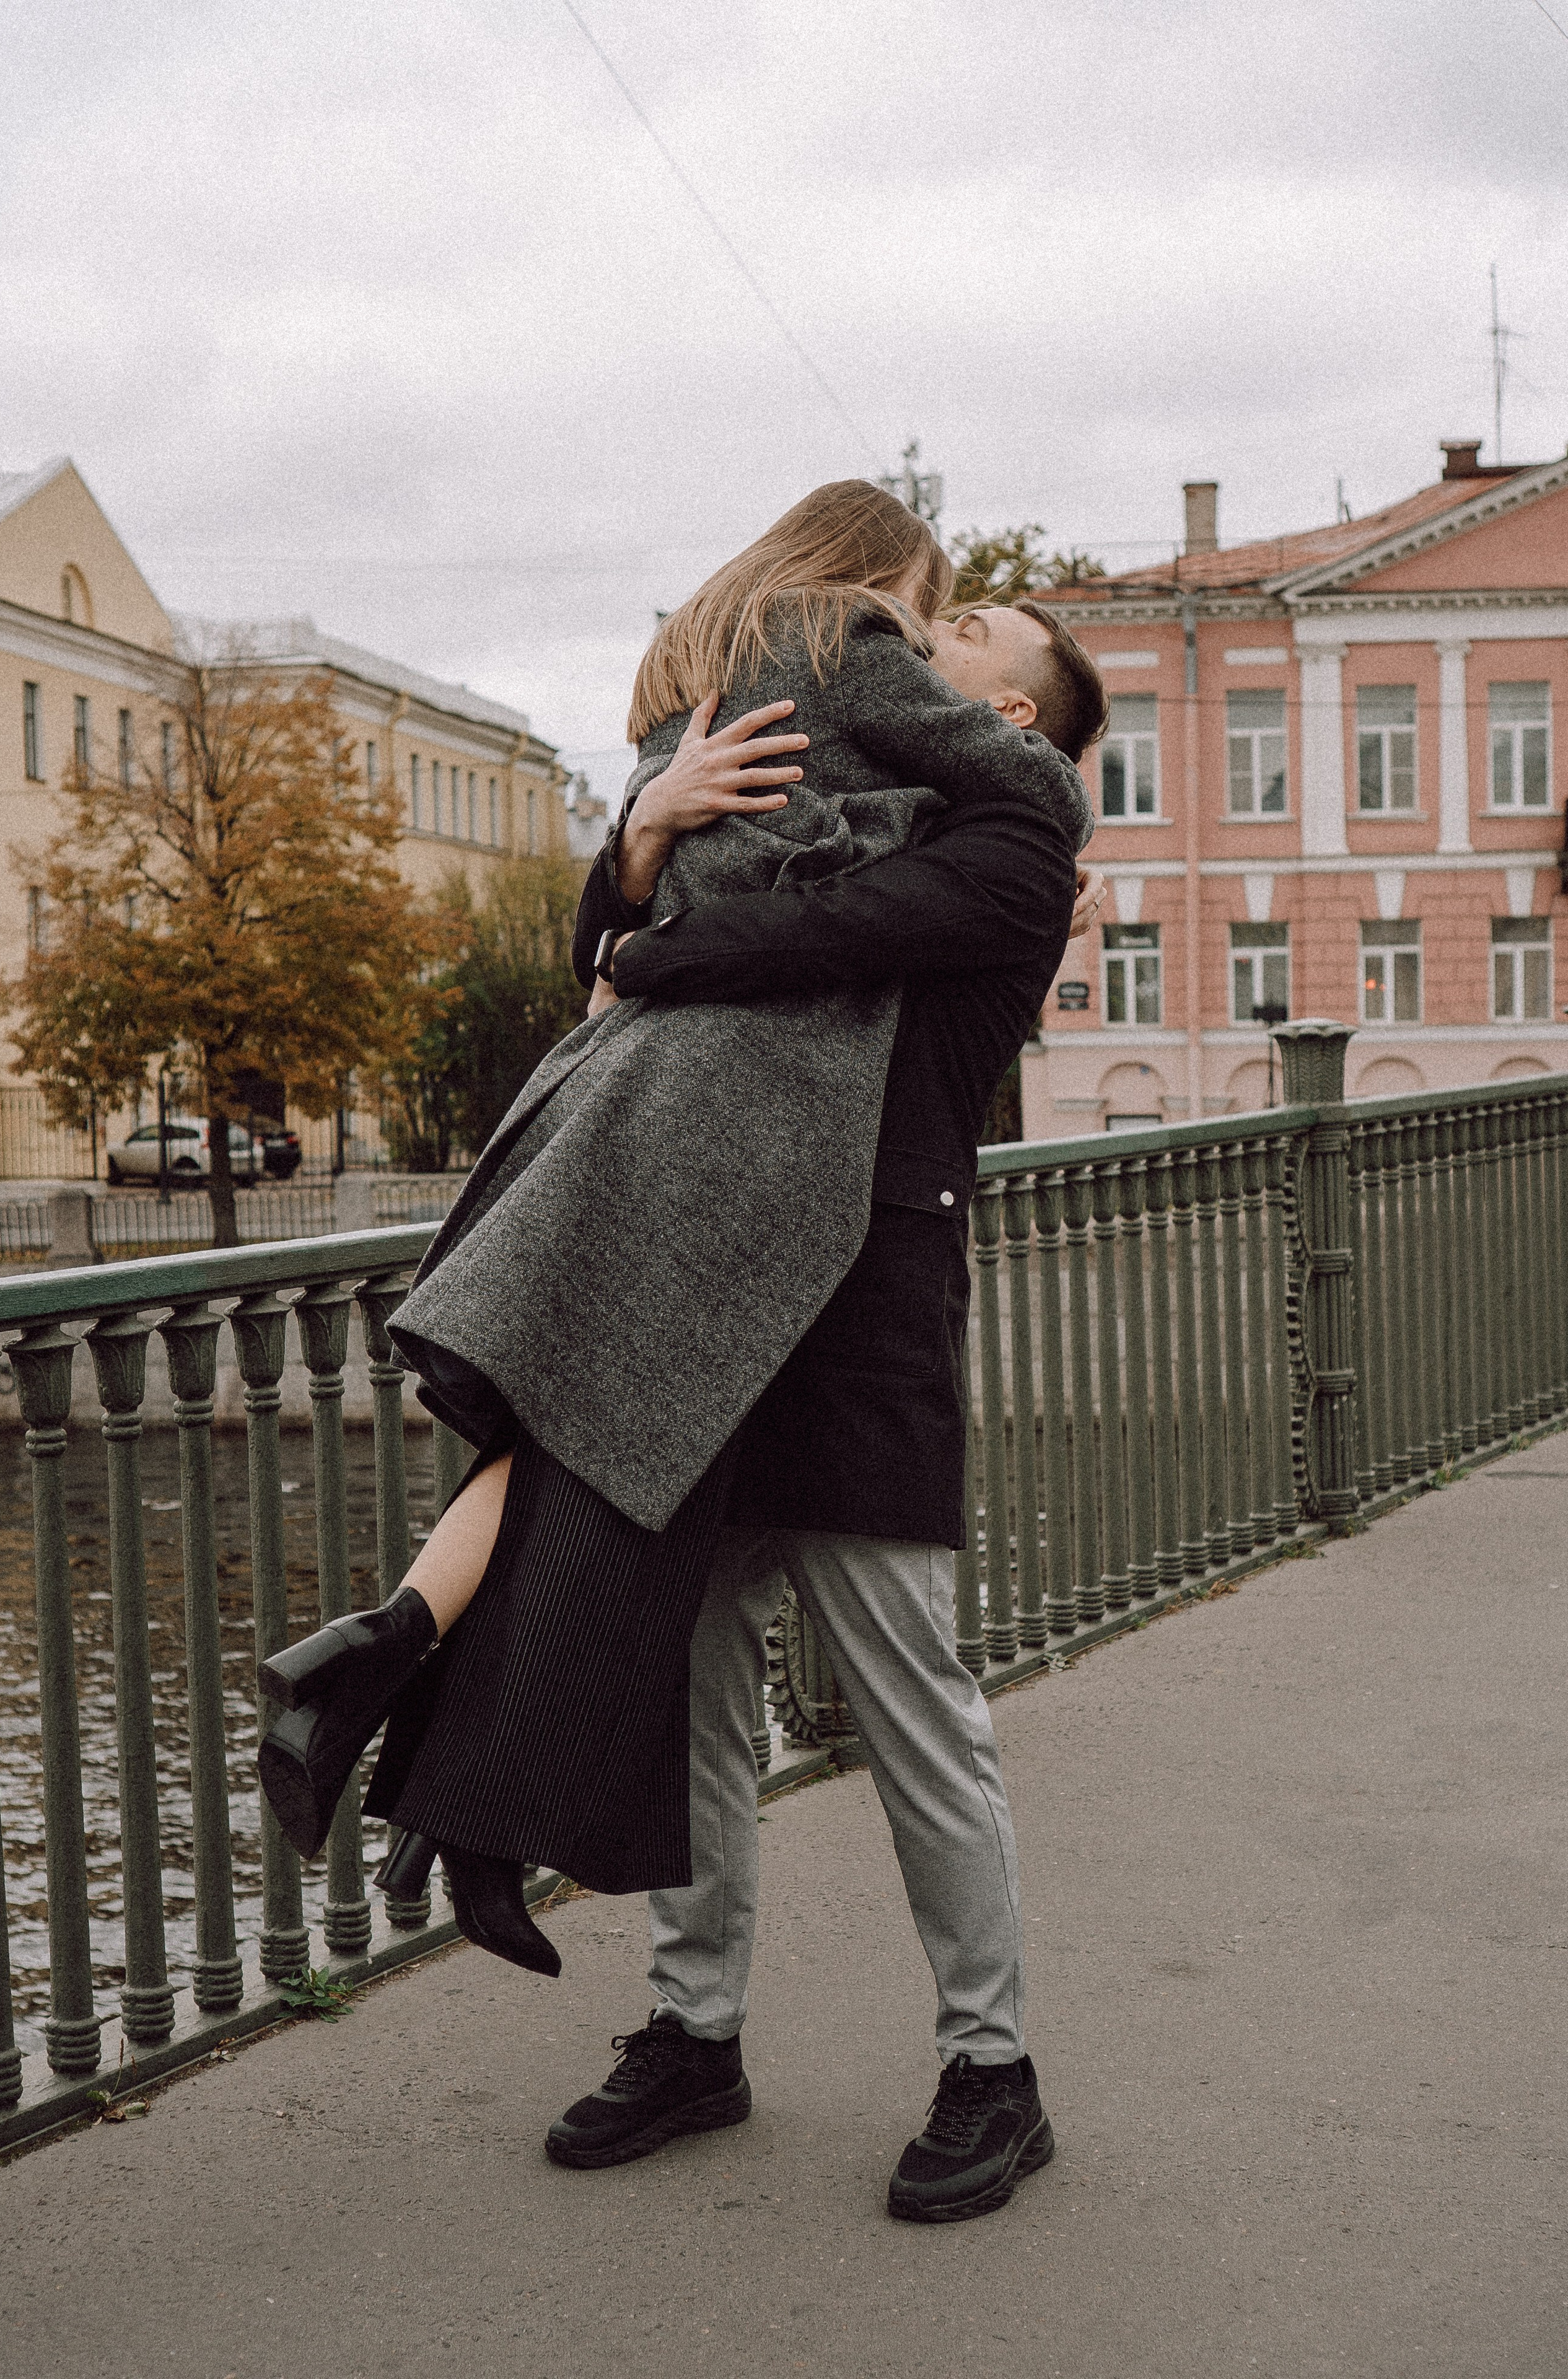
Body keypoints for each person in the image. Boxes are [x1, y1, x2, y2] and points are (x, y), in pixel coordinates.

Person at [255, 487, 1104, 2096]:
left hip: (857, 1339)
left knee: (918, 1716)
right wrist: (644, 839)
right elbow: (619, 953)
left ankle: (993, 2071)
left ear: (1003, 714)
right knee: (701, 1698)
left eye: (972, 635)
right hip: (715, 1315)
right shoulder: (810, 789)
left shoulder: (1012, 861)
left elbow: (749, 949)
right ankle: (692, 2033)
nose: (937, 626)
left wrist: (660, 941)